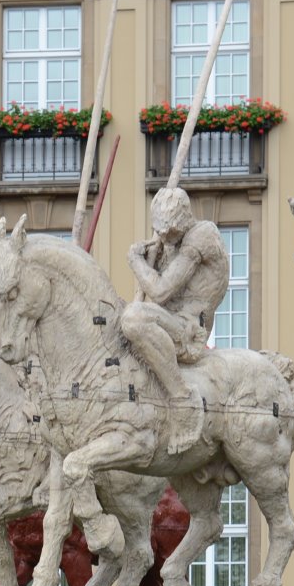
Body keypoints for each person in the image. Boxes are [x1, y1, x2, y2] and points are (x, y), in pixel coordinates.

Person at [120, 187, 230, 449]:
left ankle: (183, 400)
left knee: (133, 318)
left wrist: (136, 260)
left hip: (187, 331)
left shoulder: (201, 236)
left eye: (167, 232)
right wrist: (153, 260)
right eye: (159, 231)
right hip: (169, 323)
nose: (162, 237)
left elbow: (160, 291)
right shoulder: (171, 243)